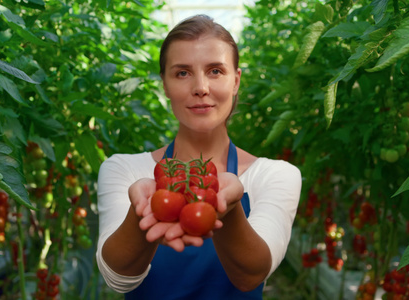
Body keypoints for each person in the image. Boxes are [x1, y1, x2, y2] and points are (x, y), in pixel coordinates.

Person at [96, 14, 302, 299]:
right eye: (182, 72)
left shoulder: (274, 175)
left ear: (236, 81)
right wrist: (140, 211)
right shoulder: (125, 169)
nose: (201, 87)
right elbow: (118, 279)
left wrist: (227, 210)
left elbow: (251, 276)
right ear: (165, 85)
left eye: (215, 71)